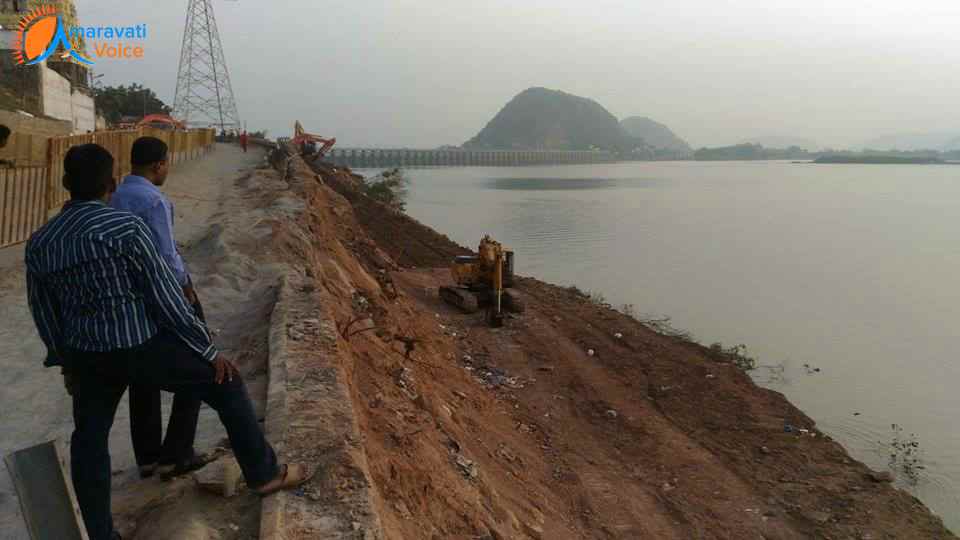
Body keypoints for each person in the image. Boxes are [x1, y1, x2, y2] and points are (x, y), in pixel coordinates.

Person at [25, 144, 311, 540]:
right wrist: (207, 350)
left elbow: (44, 311)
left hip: (86, 355)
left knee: (89, 439)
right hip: (139, 346)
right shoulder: (125, 229)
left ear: (65, 184)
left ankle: (100, 533)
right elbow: (165, 298)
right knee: (227, 387)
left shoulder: (41, 241)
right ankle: (263, 475)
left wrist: (64, 361)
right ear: (110, 184)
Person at [109, 136, 206, 480]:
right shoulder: (153, 201)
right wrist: (186, 289)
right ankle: (177, 452)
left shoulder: (115, 197)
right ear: (159, 165)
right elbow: (166, 255)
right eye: (166, 163)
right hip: (162, 291)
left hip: (128, 297)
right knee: (199, 362)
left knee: (143, 376)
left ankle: (148, 456)